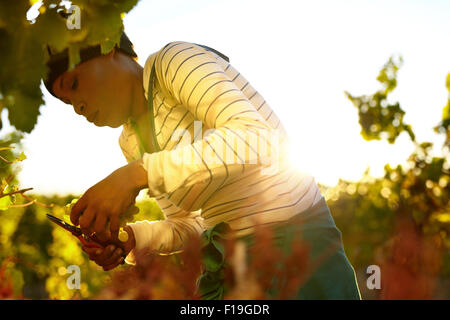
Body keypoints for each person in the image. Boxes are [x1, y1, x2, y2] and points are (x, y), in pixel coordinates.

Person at [44, 32, 361, 299]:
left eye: (74, 84)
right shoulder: (131, 142)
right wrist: (131, 238)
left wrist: (136, 174)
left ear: (107, 44)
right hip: (232, 270)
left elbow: (257, 138)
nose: (78, 107)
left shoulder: (173, 62)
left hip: (298, 251)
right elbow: (193, 226)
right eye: (68, 103)